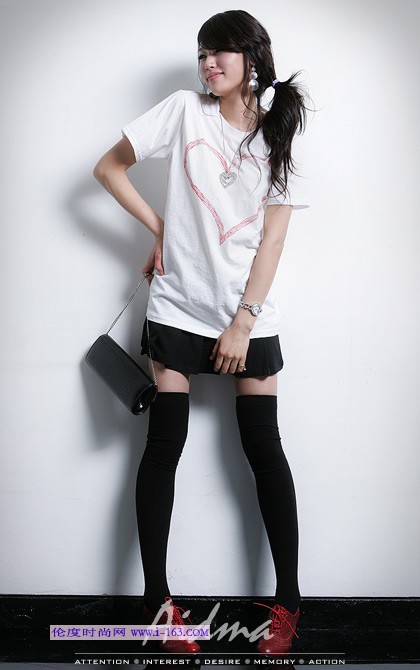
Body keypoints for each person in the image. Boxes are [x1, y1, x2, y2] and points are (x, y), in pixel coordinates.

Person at [93, 9, 309, 656]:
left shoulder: (279, 133)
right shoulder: (183, 110)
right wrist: (162, 229)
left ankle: (288, 603)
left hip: (247, 313)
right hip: (177, 306)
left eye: (221, 52)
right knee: (164, 447)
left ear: (253, 58)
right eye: (202, 53)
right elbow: (108, 168)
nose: (208, 64)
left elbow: (273, 240)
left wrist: (243, 322)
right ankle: (158, 603)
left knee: (264, 449)